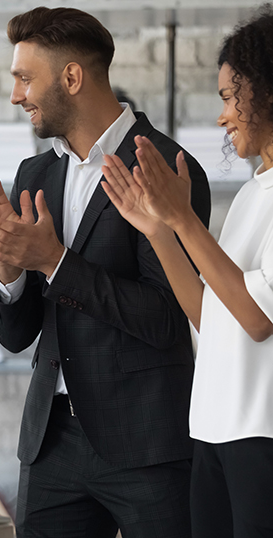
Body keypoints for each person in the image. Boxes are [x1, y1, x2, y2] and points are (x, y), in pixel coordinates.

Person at [0, 7, 212, 537]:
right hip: (50, 445)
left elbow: (170, 320)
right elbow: (15, 336)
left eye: (25, 78)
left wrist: (54, 261)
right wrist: (8, 269)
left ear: (71, 77)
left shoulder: (168, 169)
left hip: (148, 446)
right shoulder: (34, 174)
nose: (16, 95)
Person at [102, 7, 273, 537]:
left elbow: (257, 317)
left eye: (229, 97)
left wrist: (182, 220)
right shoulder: (252, 193)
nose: (223, 116)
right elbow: (211, 314)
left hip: (262, 437)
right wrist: (160, 233)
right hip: (214, 431)